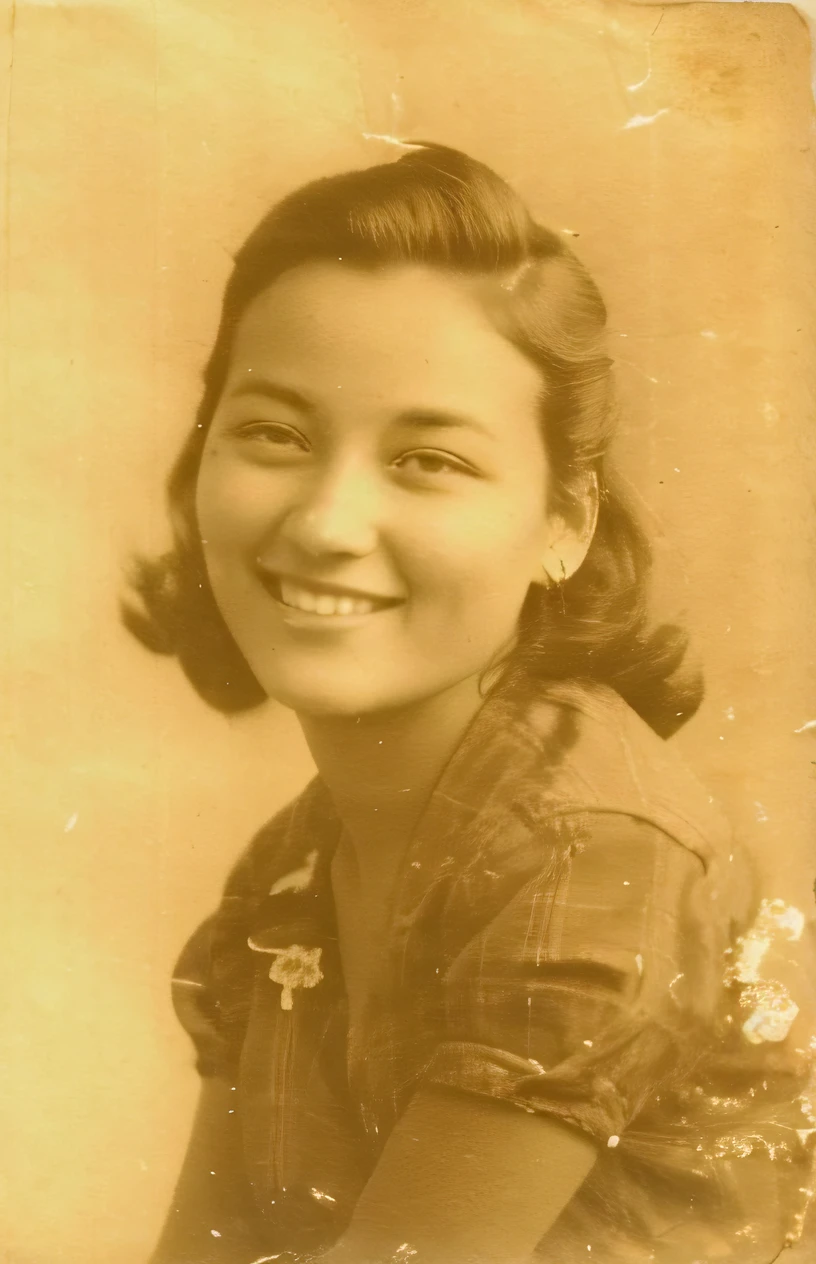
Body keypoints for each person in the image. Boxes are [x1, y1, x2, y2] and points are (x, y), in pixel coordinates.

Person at [125, 143, 816, 1264]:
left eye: (429, 459)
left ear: (564, 523)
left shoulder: (593, 849)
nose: (325, 522)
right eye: (274, 435)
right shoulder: (291, 866)